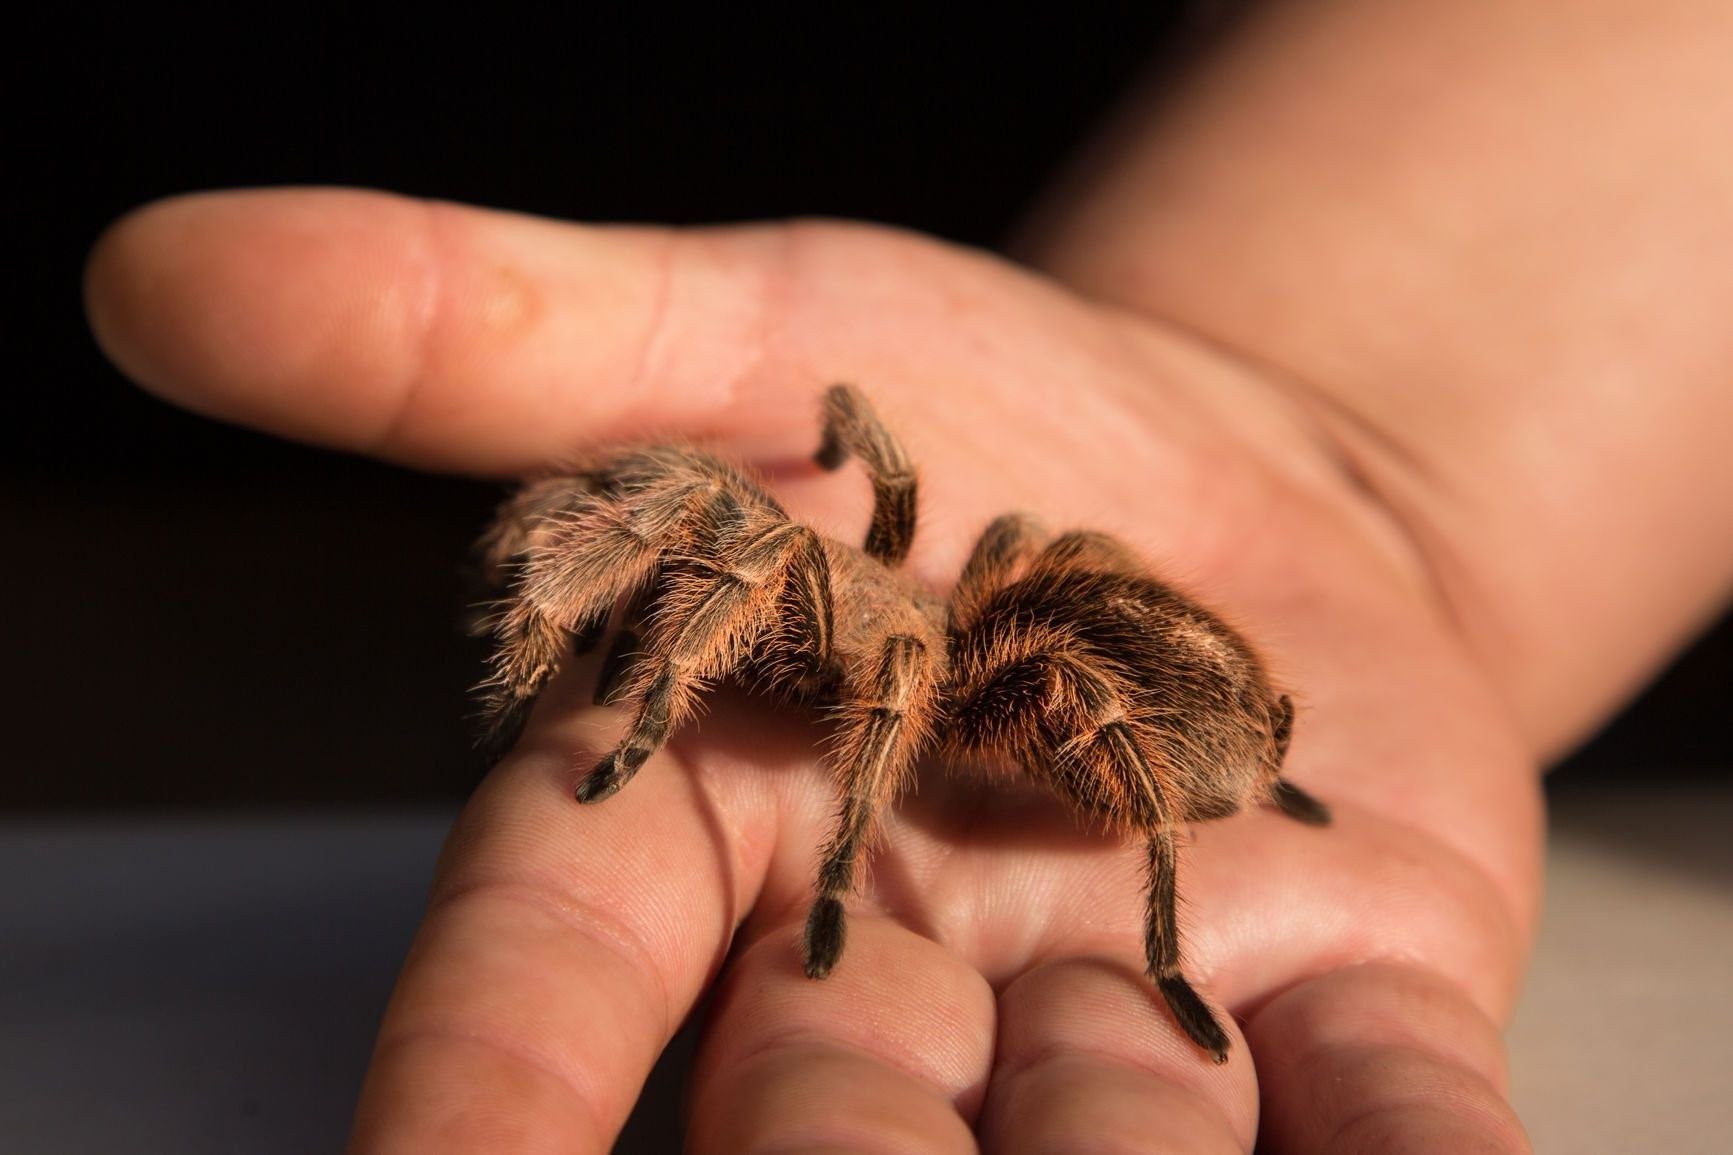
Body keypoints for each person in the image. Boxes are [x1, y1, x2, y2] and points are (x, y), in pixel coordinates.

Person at [83, 2, 1733, 1150]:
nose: (773, 573)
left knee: (976, 638)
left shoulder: (955, 657)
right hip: (1062, 668)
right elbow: (851, 506)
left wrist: (671, 731)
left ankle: (1137, 920)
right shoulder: (888, 571)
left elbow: (961, 627)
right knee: (758, 527)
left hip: (1114, 724)